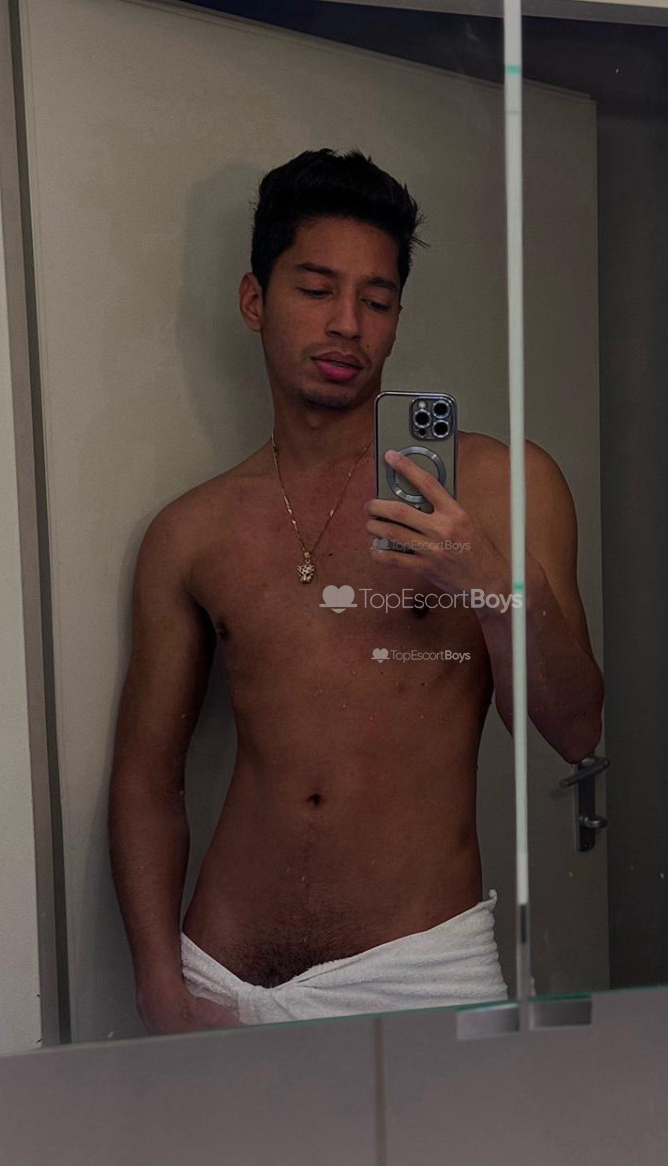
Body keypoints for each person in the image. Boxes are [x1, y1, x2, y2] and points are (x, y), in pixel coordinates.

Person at [108, 148, 604, 1035]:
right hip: (219, 975)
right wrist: (159, 981)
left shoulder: (500, 486)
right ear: (254, 300)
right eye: (316, 289)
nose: (347, 325)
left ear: (397, 322)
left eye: (376, 301)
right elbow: (149, 777)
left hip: (419, 972)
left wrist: (492, 582)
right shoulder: (192, 532)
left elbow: (577, 729)